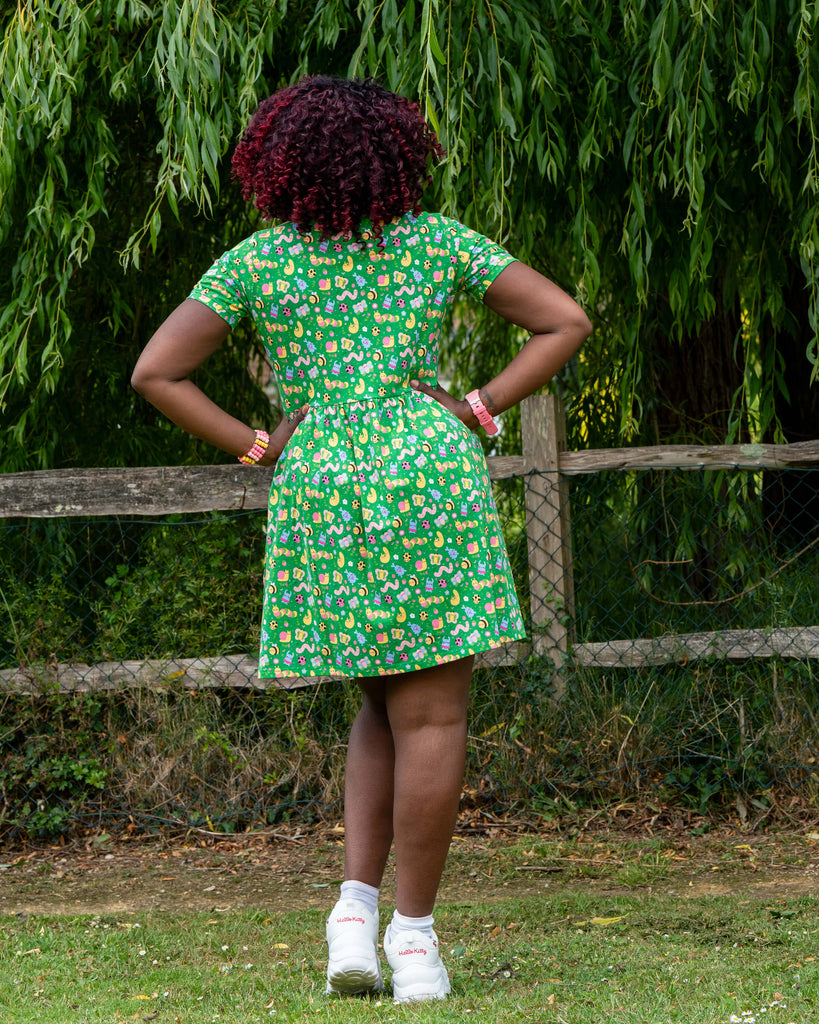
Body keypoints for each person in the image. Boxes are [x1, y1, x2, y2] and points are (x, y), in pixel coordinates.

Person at [131, 75, 591, 1003]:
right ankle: (413, 940)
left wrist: (259, 444)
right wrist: (479, 405)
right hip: (426, 474)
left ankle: (352, 911)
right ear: (393, 156)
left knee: (380, 705)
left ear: (281, 163)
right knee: (433, 716)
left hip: (323, 480)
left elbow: (156, 372)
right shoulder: (437, 243)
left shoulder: (258, 263)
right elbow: (564, 320)